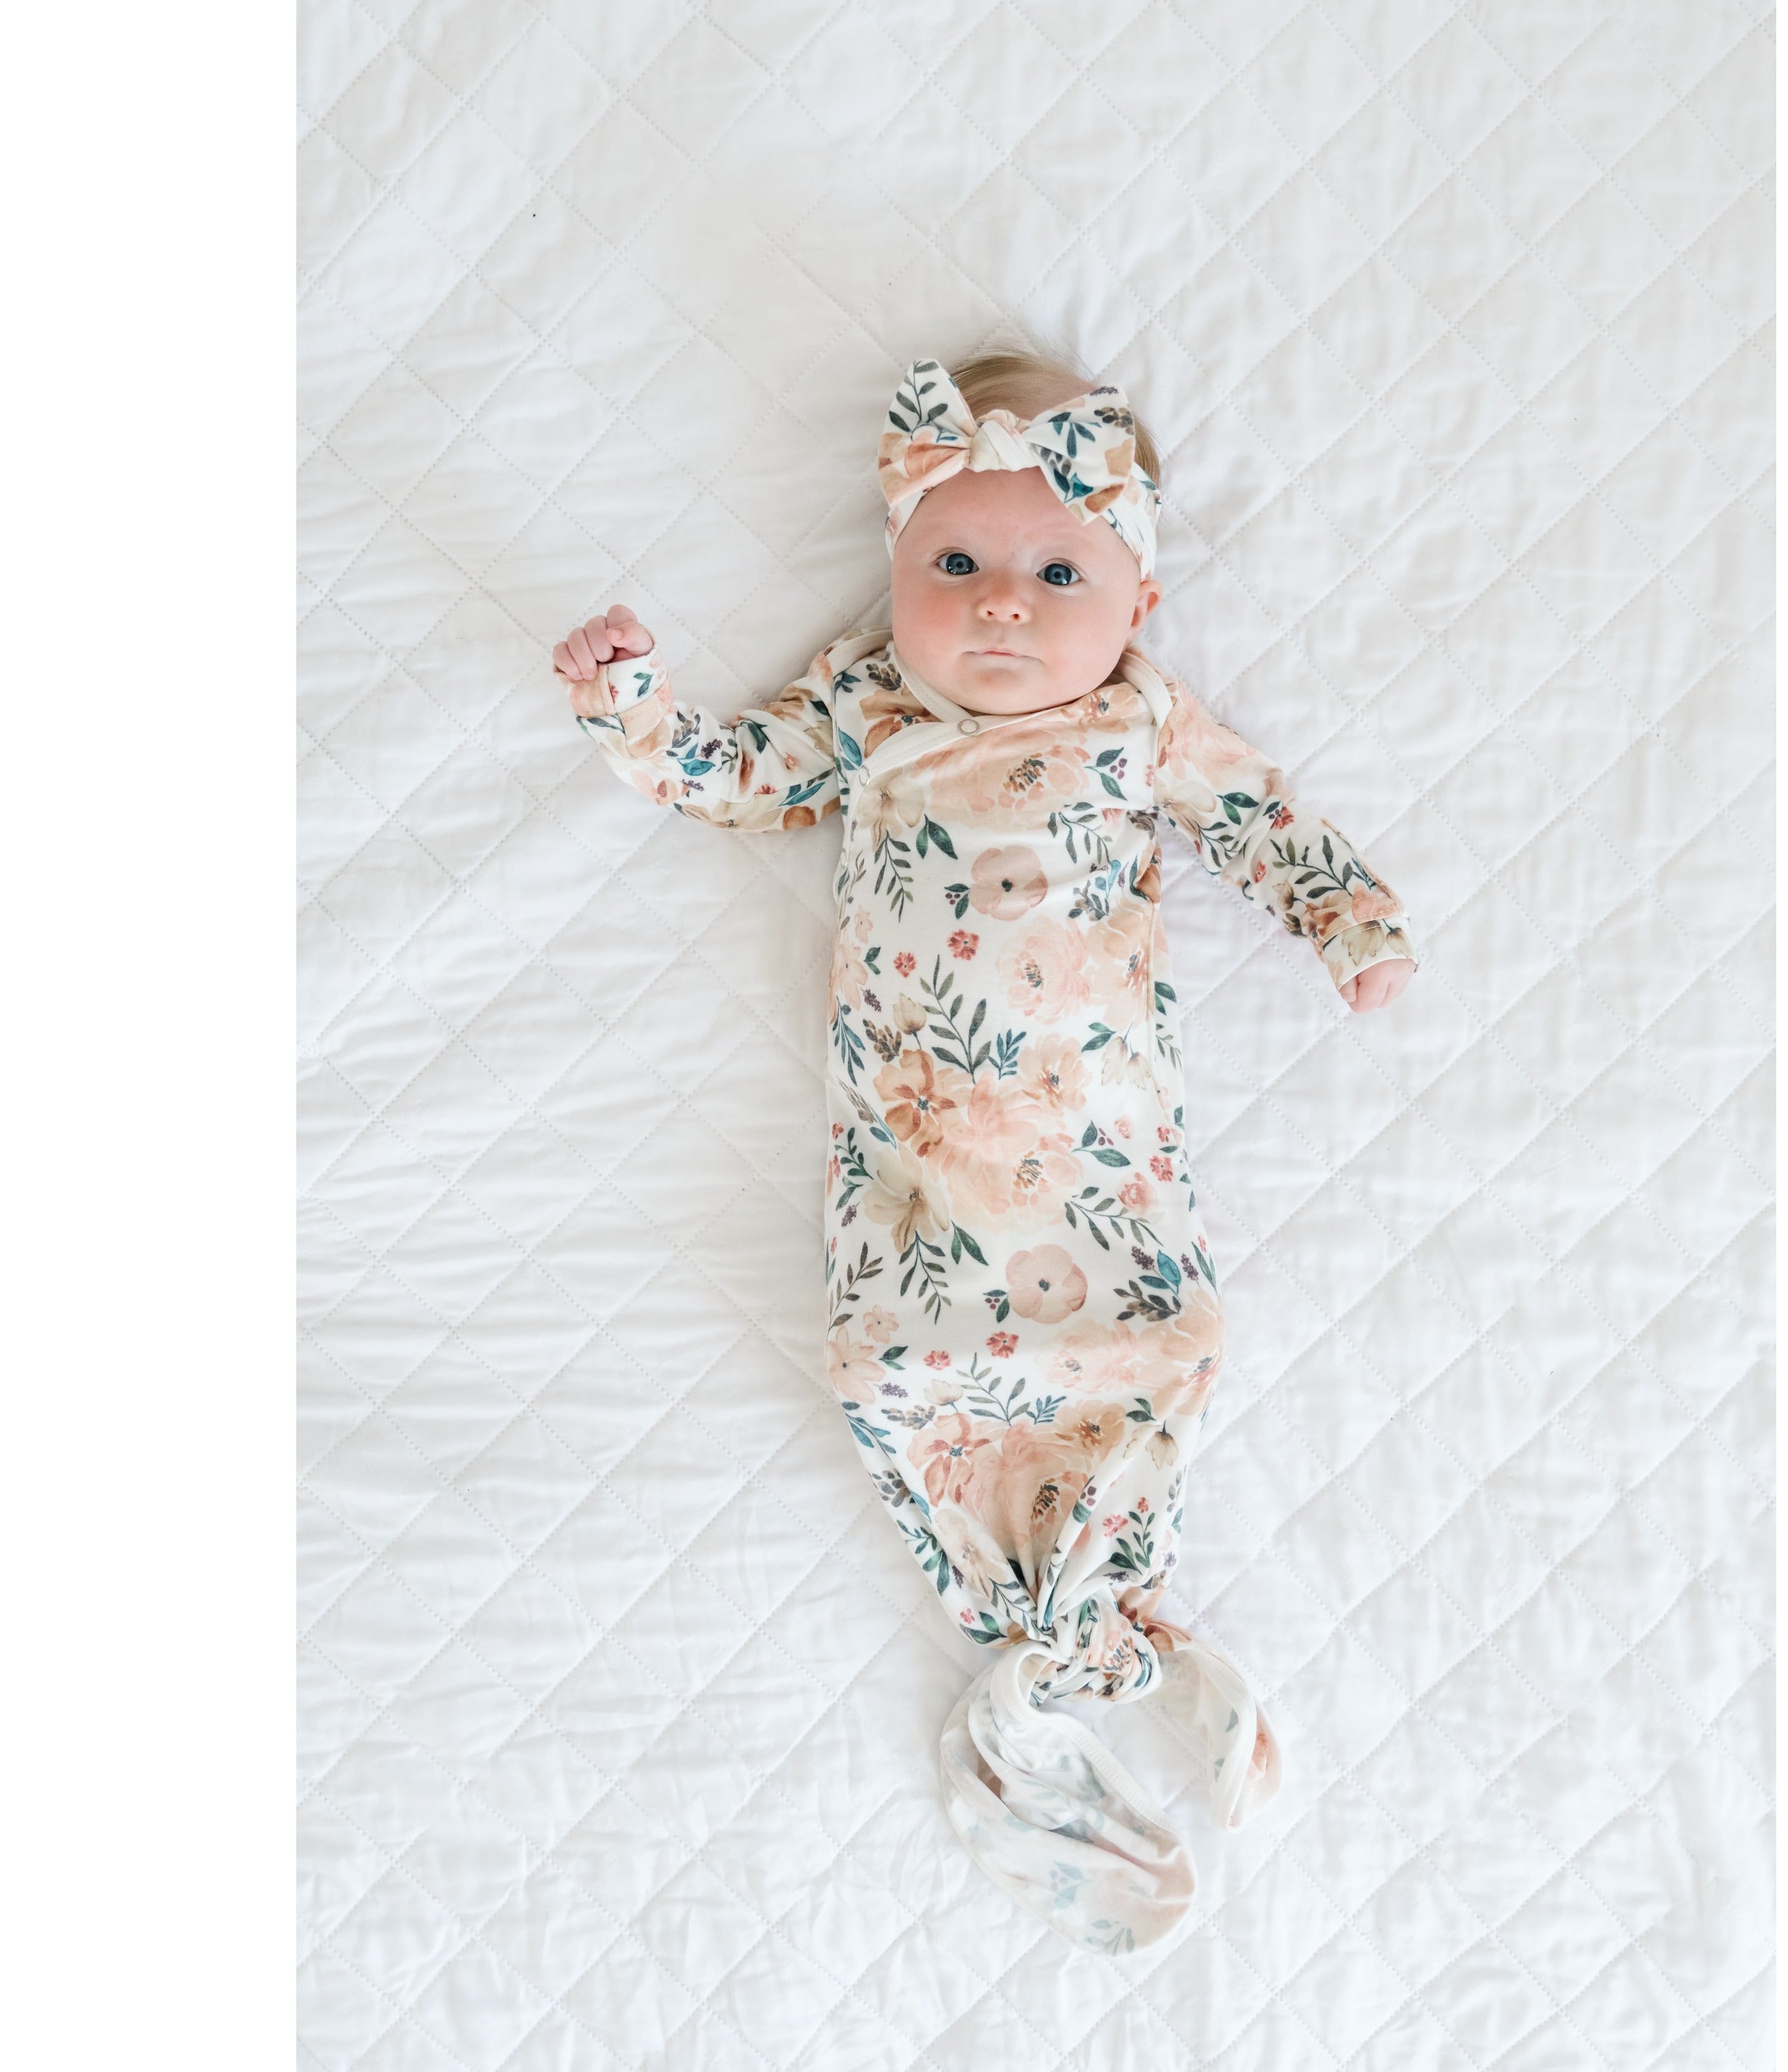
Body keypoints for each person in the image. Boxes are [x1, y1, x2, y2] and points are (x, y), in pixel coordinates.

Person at [552, 351, 1416, 1954]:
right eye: (954, 561)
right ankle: (1062, 1645)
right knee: (905, 1364)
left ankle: (1090, 1623)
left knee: (1152, 1342)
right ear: (894, 572)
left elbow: (1259, 819)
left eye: (1056, 573)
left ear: (1140, 601)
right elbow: (731, 782)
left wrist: (1347, 919)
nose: (1002, 602)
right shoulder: (868, 702)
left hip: (1100, 1158)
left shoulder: (1140, 720)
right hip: (923, 1161)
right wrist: (632, 705)